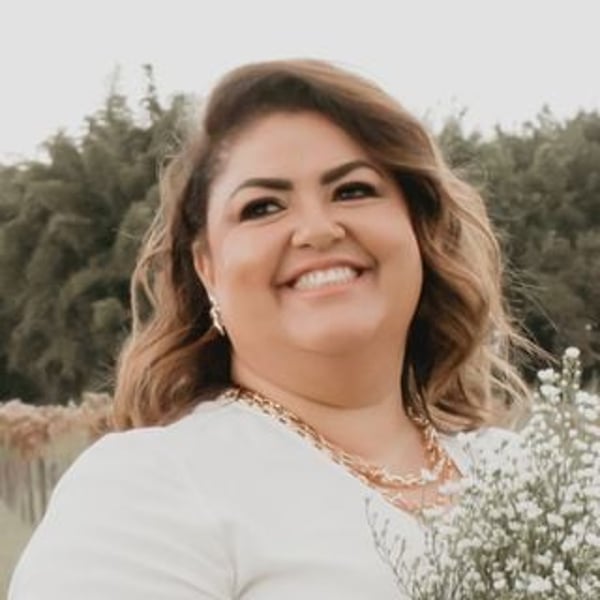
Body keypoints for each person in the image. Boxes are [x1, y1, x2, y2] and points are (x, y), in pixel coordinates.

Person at [9, 59, 534, 599]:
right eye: (262, 207)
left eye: (353, 191)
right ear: (207, 269)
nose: (318, 230)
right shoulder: (149, 488)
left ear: (418, 230)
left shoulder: (522, 474)